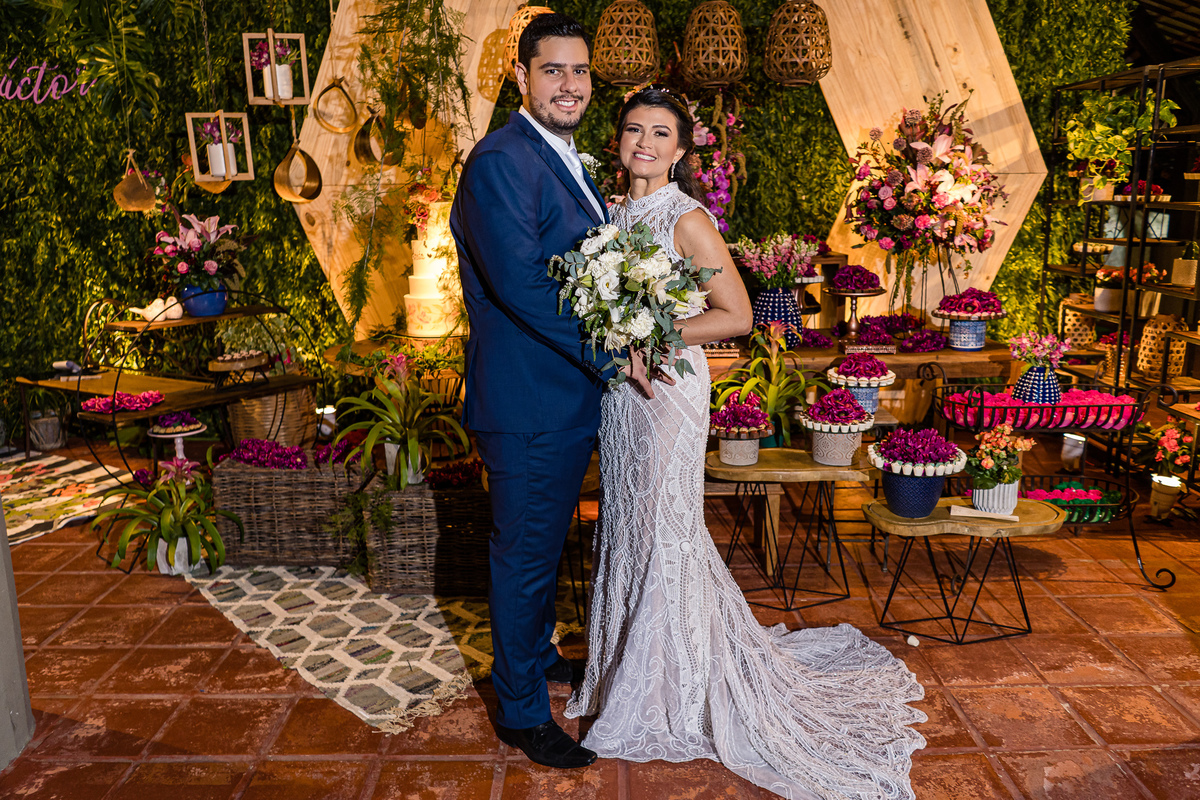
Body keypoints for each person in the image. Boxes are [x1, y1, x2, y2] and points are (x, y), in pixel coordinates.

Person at [564, 87, 928, 800]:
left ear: (681, 149)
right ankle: (628, 670)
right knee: (628, 525)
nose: (643, 142)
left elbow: (732, 315)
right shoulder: (611, 214)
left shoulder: (687, 218)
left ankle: (675, 684)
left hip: (666, 388)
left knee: (666, 525)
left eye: (659, 133)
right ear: (619, 139)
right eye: (633, 129)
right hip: (621, 394)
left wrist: (650, 334)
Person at [450, 13, 654, 770]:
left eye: (580, 72)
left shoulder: (560, 155)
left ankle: (533, 661)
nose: (570, 85)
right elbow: (525, 288)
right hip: (529, 402)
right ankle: (522, 713)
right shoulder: (502, 161)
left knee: (539, 544)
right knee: (526, 555)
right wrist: (614, 353)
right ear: (521, 75)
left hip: (558, 401)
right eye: (553, 71)